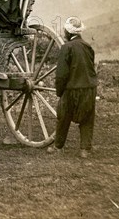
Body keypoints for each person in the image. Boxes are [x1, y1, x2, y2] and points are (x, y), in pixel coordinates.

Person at [47, 17, 97, 158]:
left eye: (65, 30)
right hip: (89, 88)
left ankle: (58, 147)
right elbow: (90, 68)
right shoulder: (88, 46)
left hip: (72, 89)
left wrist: (59, 91)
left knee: (63, 116)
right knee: (87, 117)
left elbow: (62, 74)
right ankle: (84, 150)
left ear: (68, 33)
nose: (64, 32)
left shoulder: (66, 47)